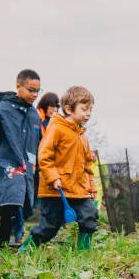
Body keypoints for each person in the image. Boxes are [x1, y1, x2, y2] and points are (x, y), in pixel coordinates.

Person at [22, 86, 98, 251]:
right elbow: (44, 155)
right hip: (56, 190)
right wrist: (53, 176)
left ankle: (84, 253)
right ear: (69, 109)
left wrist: (91, 185)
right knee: (49, 227)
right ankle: (26, 249)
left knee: (90, 216)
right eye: (84, 109)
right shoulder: (56, 129)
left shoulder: (82, 137)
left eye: (90, 109)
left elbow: (87, 165)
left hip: (78, 189)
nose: (88, 113)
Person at [0, 70, 42, 247]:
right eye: (31, 90)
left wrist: (40, 164)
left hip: (27, 166)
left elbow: (39, 142)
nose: (35, 95)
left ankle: (3, 244)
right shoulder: (1, 110)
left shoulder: (34, 115)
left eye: (38, 91)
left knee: (15, 205)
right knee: (14, 197)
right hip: (5, 163)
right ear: (18, 87)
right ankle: (19, 232)